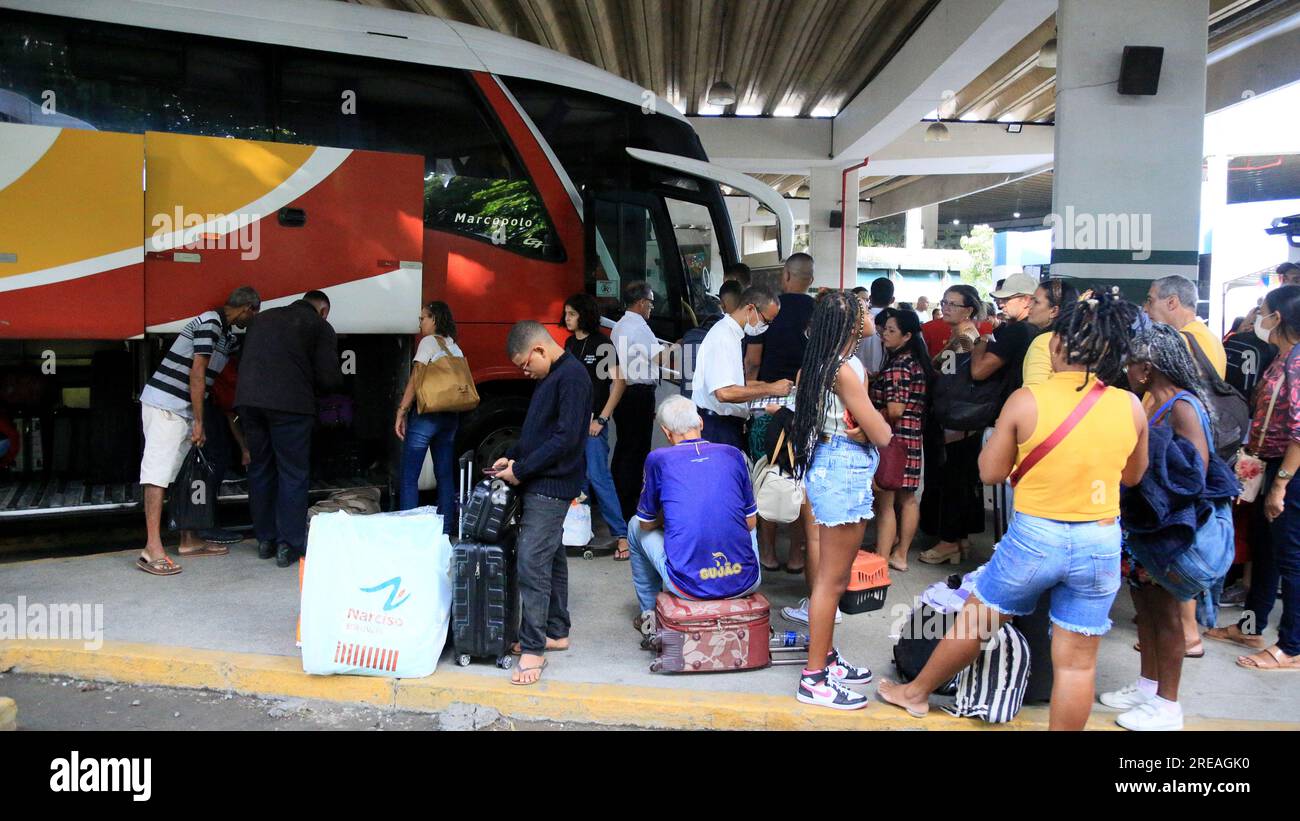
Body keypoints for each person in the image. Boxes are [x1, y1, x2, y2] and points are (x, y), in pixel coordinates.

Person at [880, 293, 1148, 729]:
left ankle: (915, 694)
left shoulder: (1027, 400)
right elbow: (1134, 476)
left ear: (1057, 346)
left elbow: (989, 472)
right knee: (1077, 664)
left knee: (977, 619)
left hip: (1036, 538)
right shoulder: (1129, 405)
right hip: (1099, 540)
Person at [1102, 324, 1235, 730]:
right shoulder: (1149, 400)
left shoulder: (1183, 406)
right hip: (1145, 528)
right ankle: (1147, 686)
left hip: (1169, 530)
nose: (1126, 368)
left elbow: (1194, 473)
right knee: (1145, 613)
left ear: (1147, 367)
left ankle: (1168, 704)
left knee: (1167, 618)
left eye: (1131, 362)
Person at [789, 291, 894, 710]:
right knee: (832, 581)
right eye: (864, 312)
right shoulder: (844, 370)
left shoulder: (831, 362)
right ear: (852, 325)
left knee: (833, 578)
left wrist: (866, 430)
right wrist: (871, 429)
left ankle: (826, 659)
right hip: (841, 468)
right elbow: (883, 433)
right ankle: (814, 678)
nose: (871, 316)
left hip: (838, 465)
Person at [1205, 285, 1300, 671]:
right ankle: (1251, 625)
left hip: (1288, 470)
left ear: (1278, 317)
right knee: (1265, 550)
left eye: (1264, 309)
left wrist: (1281, 484)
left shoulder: (1296, 364)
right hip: (1269, 464)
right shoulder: (1282, 357)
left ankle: (1292, 647)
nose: (1258, 316)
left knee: (1291, 559)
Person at [135, 286, 261, 576]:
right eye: (254, 313)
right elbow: (197, 373)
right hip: (166, 406)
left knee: (180, 474)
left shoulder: (225, 333)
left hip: (182, 410)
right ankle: (151, 549)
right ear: (246, 309)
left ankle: (188, 540)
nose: (252, 319)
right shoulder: (210, 324)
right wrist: (200, 422)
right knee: (157, 474)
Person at [493, 321, 592, 685]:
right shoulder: (551, 377)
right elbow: (537, 432)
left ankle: (534, 649)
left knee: (531, 560)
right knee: (550, 556)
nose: (524, 371)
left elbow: (566, 438)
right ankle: (556, 631)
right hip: (541, 478)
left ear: (539, 349)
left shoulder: (572, 378)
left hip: (551, 483)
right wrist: (511, 457)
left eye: (524, 363)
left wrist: (523, 469)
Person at [628, 397, 761, 631]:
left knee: (633, 526)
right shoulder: (733, 454)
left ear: (666, 432)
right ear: (700, 421)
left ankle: (649, 613)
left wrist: (668, 517)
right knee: (744, 520)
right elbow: (750, 522)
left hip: (689, 588)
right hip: (746, 581)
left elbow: (646, 524)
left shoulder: (658, 459)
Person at [235, 289, 340, 568]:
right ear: (323, 310)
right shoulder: (319, 326)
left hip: (249, 402)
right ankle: (288, 545)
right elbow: (329, 378)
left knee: (260, 469)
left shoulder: (262, 318)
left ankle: (265, 540)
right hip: (291, 407)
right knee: (292, 473)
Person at [745, 253, 816, 572]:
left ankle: (769, 552)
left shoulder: (769, 311)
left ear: (786, 275)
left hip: (767, 404)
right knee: (800, 480)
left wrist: (749, 388)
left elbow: (753, 361)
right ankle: (798, 555)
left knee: (767, 475)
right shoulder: (819, 312)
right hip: (806, 410)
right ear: (810, 279)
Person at [917, 284, 986, 565]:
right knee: (960, 480)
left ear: (968, 309)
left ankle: (949, 542)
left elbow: (943, 376)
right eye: (944, 302)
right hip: (961, 420)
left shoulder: (966, 340)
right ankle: (960, 540)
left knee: (951, 481)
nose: (945, 307)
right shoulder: (964, 336)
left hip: (955, 422)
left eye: (952, 304)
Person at [561, 293, 629, 559]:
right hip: (571, 422)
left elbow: (619, 383)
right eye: (566, 313)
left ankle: (621, 536)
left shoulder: (602, 344)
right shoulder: (568, 343)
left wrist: (602, 418)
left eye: (572, 314)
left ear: (584, 315)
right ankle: (580, 533)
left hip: (592, 422)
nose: (566, 319)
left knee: (599, 478)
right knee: (578, 479)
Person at [394, 301, 464, 536]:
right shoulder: (454, 346)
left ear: (434, 319)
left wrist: (402, 410)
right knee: (444, 474)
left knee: (409, 476)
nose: (420, 323)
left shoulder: (428, 342)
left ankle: (410, 530)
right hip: (450, 417)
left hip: (427, 416)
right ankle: (445, 530)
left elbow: (416, 379)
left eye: (423, 318)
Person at [870, 308, 932, 572]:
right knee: (907, 499)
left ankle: (882, 558)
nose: (885, 334)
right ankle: (901, 553)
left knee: (885, 502)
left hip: (894, 439)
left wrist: (869, 415)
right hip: (912, 436)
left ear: (907, 336)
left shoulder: (898, 366)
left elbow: (895, 409)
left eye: (891, 330)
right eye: (884, 329)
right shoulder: (915, 361)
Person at [691, 286, 789, 451]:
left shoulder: (732, 334)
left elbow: (734, 384)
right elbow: (724, 392)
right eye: (766, 321)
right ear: (751, 308)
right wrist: (771, 388)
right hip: (718, 428)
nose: (766, 327)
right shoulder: (724, 337)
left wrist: (766, 386)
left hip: (723, 425)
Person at [611, 281, 666, 522]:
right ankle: (633, 507)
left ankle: (620, 501)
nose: (651, 308)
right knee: (637, 452)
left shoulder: (619, 326)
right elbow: (660, 357)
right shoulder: (639, 327)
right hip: (639, 393)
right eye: (651, 303)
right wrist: (680, 347)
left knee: (624, 448)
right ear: (642, 302)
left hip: (623, 394)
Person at [1144, 275, 1227, 380]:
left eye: (1150, 301)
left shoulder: (1181, 342)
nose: (1145, 309)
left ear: (1171, 302)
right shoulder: (1212, 339)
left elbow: (1163, 393)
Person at [972, 272, 1039, 395]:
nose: (1001, 304)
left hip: (1012, 402)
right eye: (1000, 299)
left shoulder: (1019, 330)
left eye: (1006, 299)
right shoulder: (1036, 327)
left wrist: (982, 339)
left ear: (1026, 300)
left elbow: (978, 372)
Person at [1022, 278, 1080, 387]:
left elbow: (1034, 390)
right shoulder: (1079, 340)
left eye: (1036, 302)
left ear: (1054, 311)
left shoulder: (1045, 341)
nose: (1028, 306)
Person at [856, 277, 895, 376]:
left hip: (856, 374)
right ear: (892, 300)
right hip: (885, 378)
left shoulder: (856, 319)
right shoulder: (897, 322)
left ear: (870, 298)